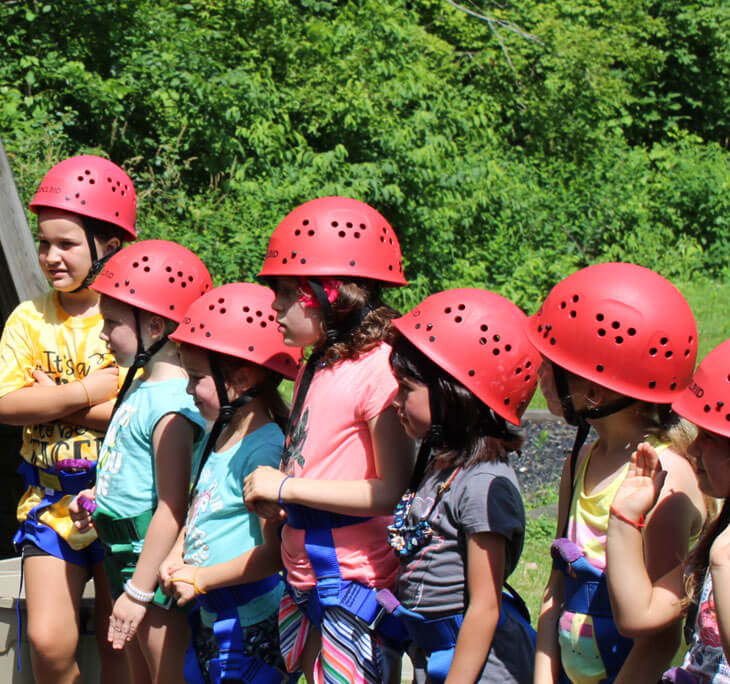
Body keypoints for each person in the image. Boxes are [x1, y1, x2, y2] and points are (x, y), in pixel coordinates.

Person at [242, 196, 415, 683]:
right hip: (306, 579)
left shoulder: (379, 369)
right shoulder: (316, 363)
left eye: (284, 292)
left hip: (354, 583)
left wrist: (287, 489)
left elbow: (391, 490)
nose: (273, 305)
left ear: (329, 294)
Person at [528, 262, 707, 684]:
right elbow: (557, 589)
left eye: (553, 365)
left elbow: (659, 635)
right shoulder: (580, 462)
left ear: (594, 390)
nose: (540, 376)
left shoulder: (662, 478)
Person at [0, 155, 135, 683]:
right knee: (46, 642)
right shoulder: (29, 319)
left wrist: (50, 397)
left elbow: (134, 415)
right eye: (44, 243)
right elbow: (7, 405)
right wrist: (86, 391)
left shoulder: (128, 318)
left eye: (67, 244)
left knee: (117, 640)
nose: (51, 256)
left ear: (109, 246)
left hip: (120, 500)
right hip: (49, 504)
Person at [375, 288, 539, 683]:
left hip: (480, 670)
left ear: (454, 394)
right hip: (433, 656)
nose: (395, 400)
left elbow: (484, 607)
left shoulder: (483, 484)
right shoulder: (439, 461)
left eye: (407, 388)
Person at [69, 239, 211, 683]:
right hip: (123, 558)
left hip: (146, 569)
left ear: (153, 325)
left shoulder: (172, 404)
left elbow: (172, 506)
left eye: (111, 322)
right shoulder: (143, 388)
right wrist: (99, 495)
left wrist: (138, 590)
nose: (102, 334)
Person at [157, 282, 301, 683]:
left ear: (243, 376)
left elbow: (275, 555)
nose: (188, 389)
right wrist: (177, 552)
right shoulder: (221, 433)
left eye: (197, 377)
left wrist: (200, 578)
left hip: (251, 624)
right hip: (213, 614)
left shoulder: (264, 450)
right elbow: (204, 505)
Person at [607, 337, 730, 683]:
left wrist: (724, 562)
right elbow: (638, 615)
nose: (692, 448)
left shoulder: (724, 550)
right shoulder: (719, 539)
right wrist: (625, 517)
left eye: (709, 437)